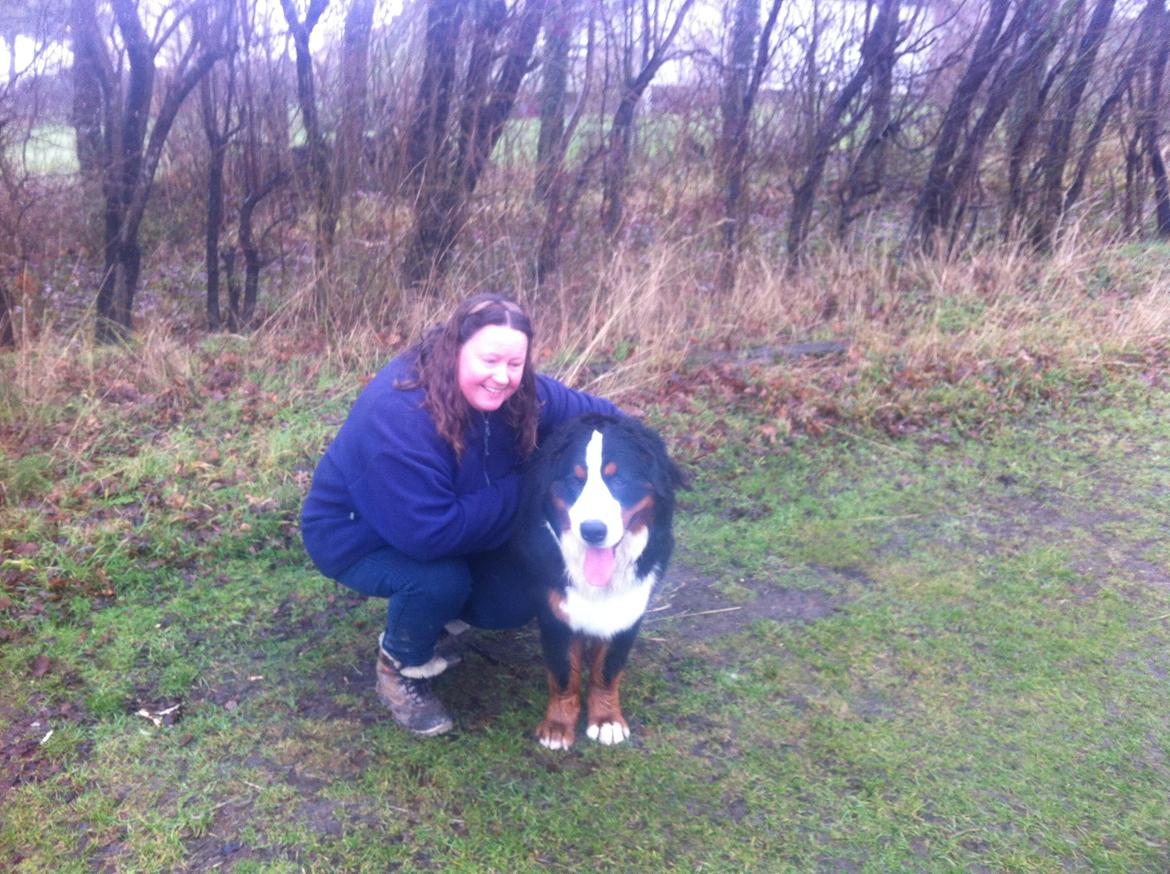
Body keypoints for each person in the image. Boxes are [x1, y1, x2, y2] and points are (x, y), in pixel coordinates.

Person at [301, 293, 618, 736]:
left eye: (515, 364)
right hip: (358, 536)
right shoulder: (398, 417)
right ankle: (400, 666)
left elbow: (597, 414)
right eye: (489, 360)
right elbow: (427, 535)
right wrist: (538, 485)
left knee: (520, 590)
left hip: (458, 520)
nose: (502, 377)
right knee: (438, 580)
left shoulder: (520, 391)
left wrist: (636, 451)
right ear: (456, 348)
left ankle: (435, 622)